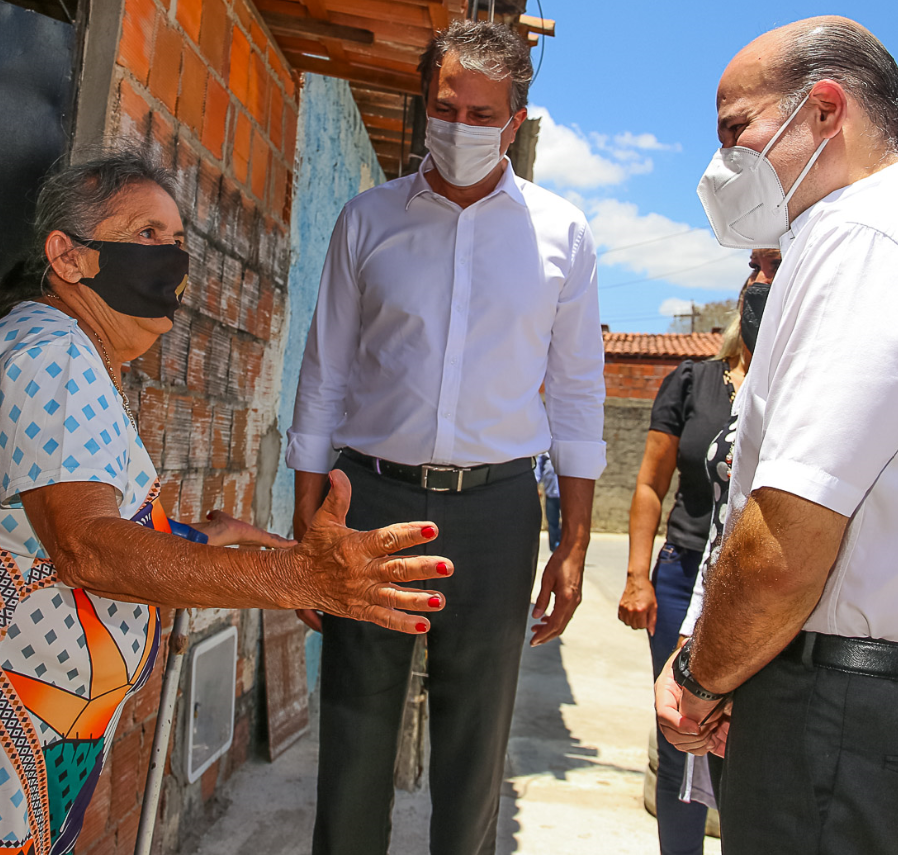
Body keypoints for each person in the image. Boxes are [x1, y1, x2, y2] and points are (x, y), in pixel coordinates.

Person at [0, 150, 455, 855]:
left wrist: (198, 539)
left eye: (178, 242)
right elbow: (84, 545)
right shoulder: (51, 351)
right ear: (69, 255)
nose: (172, 258)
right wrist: (298, 578)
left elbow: (35, 531)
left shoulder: (62, 352)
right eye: (147, 234)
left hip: (14, 717)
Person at [656, 16, 898, 855]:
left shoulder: (862, 239)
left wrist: (699, 676)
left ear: (824, 111)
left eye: (735, 129)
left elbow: (785, 541)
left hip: (844, 721)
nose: (721, 165)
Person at [286, 20, 606, 855]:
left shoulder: (561, 234)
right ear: (424, 102)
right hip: (370, 498)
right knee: (354, 730)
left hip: (499, 510)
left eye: (481, 112)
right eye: (444, 106)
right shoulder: (367, 221)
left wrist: (572, 543)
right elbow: (322, 374)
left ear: (515, 120)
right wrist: (307, 520)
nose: (458, 127)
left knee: (475, 745)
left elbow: (575, 394)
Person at [617, 249, 776, 855]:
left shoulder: (795, 388)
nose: (762, 291)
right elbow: (649, 485)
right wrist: (638, 577)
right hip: (684, 576)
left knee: (748, 737)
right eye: (755, 280)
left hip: (761, 586)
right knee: (681, 728)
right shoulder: (692, 382)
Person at [534, 452, 561, 551]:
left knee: (568, 521)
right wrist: (536, 488)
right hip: (551, 494)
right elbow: (537, 474)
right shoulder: (544, 456)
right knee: (552, 522)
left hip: (566, 495)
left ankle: (565, 547)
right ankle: (554, 548)